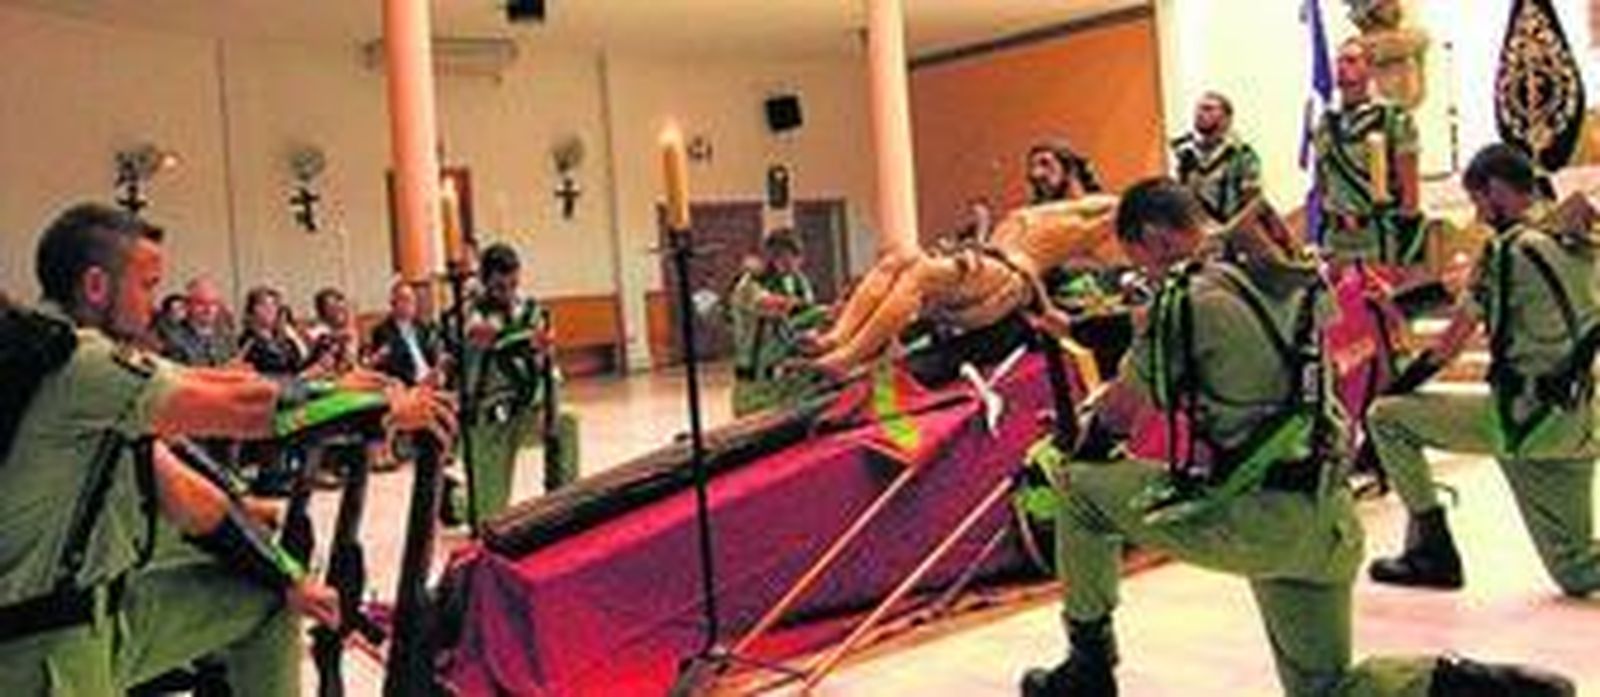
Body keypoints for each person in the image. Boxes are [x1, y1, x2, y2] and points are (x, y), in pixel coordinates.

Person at [1018, 179, 1574, 697]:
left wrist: (1084, 446)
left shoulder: (1182, 303)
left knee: (1079, 488)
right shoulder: (1284, 273)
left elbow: (1117, 416)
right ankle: (1469, 683)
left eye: (1136, 260)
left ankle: (1087, 668)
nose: (1142, 275)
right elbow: (1199, 330)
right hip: (1329, 517)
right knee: (1326, 688)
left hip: (1259, 518)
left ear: (1154, 239)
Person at [0, 202, 455, 695]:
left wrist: (287, 579)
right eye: (147, 285)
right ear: (95, 286)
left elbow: (192, 490)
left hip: (96, 614)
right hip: (42, 651)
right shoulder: (77, 364)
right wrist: (379, 403)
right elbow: (241, 405)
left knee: (263, 603)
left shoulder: (60, 357)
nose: (154, 305)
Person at [1363, 143, 1600, 596]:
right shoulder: (1579, 240)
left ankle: (1432, 554)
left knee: (1386, 420)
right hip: (1580, 420)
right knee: (1576, 570)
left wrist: (1393, 389)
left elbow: (1450, 345)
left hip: (1523, 421)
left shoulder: (1507, 250)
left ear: (1495, 190)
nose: (1477, 215)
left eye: (1477, 201)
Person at [456, 243, 580, 527]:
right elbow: (477, 336)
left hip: (525, 411)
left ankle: (561, 503)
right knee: (490, 519)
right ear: (485, 282)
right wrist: (510, 338)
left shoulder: (531, 310)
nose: (509, 294)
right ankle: (455, 501)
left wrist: (545, 352)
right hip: (489, 423)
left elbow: (547, 366)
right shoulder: (470, 314)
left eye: (514, 285)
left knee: (565, 423)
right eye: (501, 287)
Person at [1312, 38, 1423, 267]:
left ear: (1370, 69)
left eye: (1351, 61)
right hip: (1336, 237)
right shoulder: (1327, 124)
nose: (1342, 68)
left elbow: (1409, 190)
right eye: (1339, 62)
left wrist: (1405, 245)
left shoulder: (1391, 118)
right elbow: (1323, 184)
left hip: (1376, 234)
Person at [728, 228, 823, 416]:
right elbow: (773, 307)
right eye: (781, 259)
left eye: (794, 260)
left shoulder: (797, 281)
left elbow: (806, 326)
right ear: (769, 257)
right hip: (754, 384)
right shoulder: (750, 284)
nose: (789, 266)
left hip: (790, 382)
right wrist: (821, 311)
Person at [1173, 91, 1263, 225]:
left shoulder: (1242, 155)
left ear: (1227, 118)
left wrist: (1230, 231)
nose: (1200, 113)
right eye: (1198, 108)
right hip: (1195, 232)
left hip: (1230, 230)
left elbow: (1253, 202)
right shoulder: (1185, 152)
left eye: (1208, 109)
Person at [368, 279, 442, 387]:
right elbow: (390, 367)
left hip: (431, 380)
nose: (411, 304)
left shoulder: (422, 327)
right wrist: (419, 381)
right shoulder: (383, 331)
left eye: (413, 300)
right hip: (410, 386)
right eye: (406, 299)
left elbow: (431, 355)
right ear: (394, 303)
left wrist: (438, 370)